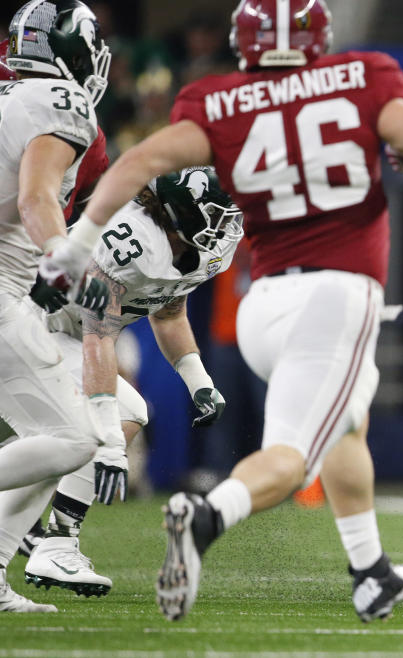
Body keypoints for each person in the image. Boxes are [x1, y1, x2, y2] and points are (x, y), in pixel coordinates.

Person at [77, 0, 403, 623]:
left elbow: (140, 161)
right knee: (291, 460)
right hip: (336, 295)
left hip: (266, 302)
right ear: (319, 38)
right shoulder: (362, 78)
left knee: (348, 422)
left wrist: (75, 243)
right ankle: (206, 519)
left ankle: (370, 573)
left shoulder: (220, 100)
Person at [4, 167, 241, 604]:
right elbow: (99, 336)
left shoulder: (192, 248)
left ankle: (34, 547)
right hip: (32, 324)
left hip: (66, 336)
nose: (227, 225)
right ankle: (57, 541)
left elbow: (168, 313)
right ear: (182, 213)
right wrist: (112, 446)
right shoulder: (132, 241)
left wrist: (198, 381)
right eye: (216, 215)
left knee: (58, 446)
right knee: (120, 416)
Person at [0, 0, 114, 613]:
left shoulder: (10, 97)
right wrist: (63, 257)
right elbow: (37, 198)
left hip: (10, 295)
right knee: (73, 439)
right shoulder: (62, 103)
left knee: (51, 436)